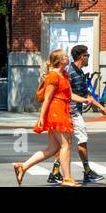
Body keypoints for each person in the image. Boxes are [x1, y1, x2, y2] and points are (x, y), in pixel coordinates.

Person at [13, 49, 79, 187]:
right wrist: (41, 117)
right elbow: (47, 99)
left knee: (53, 148)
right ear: (60, 61)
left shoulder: (64, 74)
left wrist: (86, 99)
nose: (68, 58)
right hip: (56, 111)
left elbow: (70, 96)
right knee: (65, 145)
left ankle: (23, 166)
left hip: (63, 109)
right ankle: (67, 178)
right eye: (66, 56)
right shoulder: (53, 76)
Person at [48, 44, 106, 185]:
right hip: (71, 112)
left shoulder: (80, 72)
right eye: (87, 55)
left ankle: (55, 173)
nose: (88, 57)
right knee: (81, 140)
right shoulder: (69, 72)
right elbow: (66, 93)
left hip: (73, 111)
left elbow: (86, 93)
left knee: (64, 144)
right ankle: (87, 171)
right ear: (82, 57)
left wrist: (99, 106)